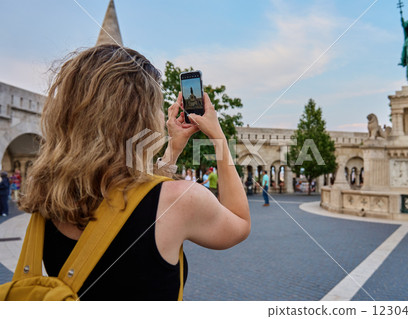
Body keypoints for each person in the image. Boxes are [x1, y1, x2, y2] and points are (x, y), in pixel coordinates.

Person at [18, 45, 250, 300]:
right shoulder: (181, 200)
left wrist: (172, 150)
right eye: (157, 106)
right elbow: (239, 222)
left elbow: (139, 191)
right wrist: (218, 138)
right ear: (142, 118)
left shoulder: (49, 196)